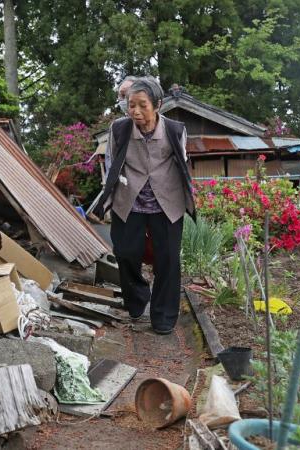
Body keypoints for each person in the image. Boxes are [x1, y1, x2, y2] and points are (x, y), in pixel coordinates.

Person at [92, 77, 195, 334]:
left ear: (157, 105)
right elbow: (113, 163)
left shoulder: (175, 130)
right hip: (130, 200)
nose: (135, 111)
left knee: (167, 260)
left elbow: (182, 164)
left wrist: (189, 200)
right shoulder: (120, 129)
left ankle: (163, 317)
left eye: (142, 105)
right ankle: (138, 298)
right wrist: (106, 199)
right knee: (126, 253)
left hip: (166, 202)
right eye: (131, 105)